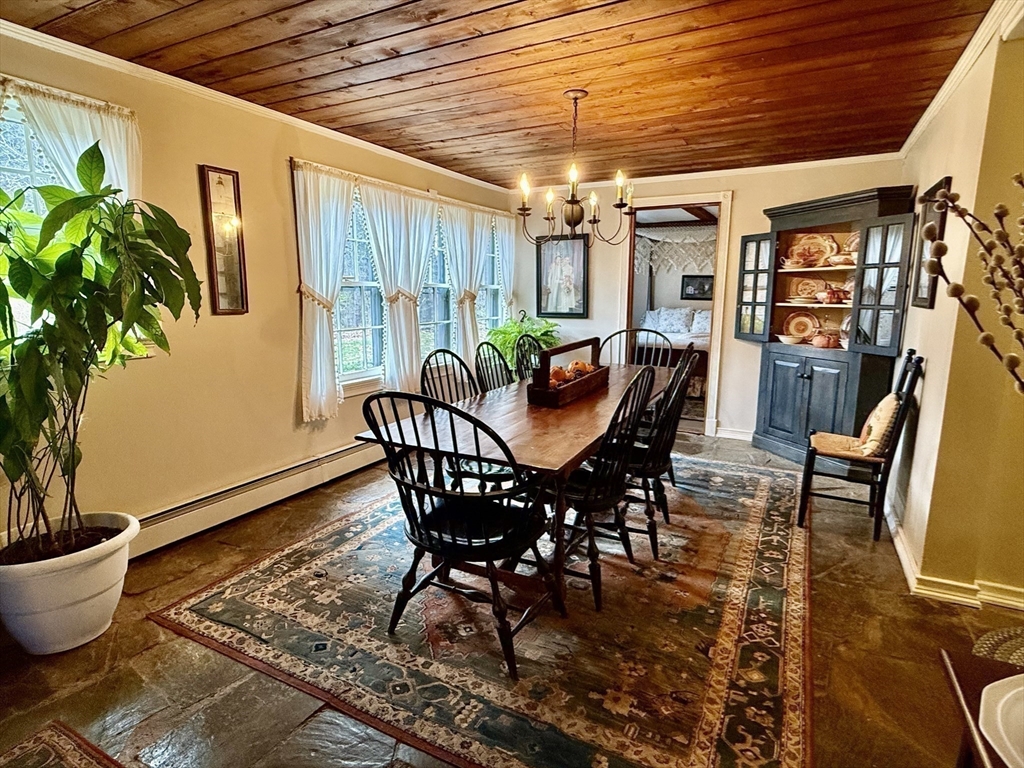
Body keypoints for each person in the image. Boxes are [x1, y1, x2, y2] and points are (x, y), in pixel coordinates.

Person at [544, 245, 579, 313]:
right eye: (558, 260)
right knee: (554, 297)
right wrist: (549, 284)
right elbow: (550, 276)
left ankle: (563, 309)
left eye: (560, 260)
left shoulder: (566, 268)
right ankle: (553, 308)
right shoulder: (553, 266)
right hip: (554, 284)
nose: (559, 261)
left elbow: (564, 276)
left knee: (562, 297)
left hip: (561, 284)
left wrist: (564, 280)